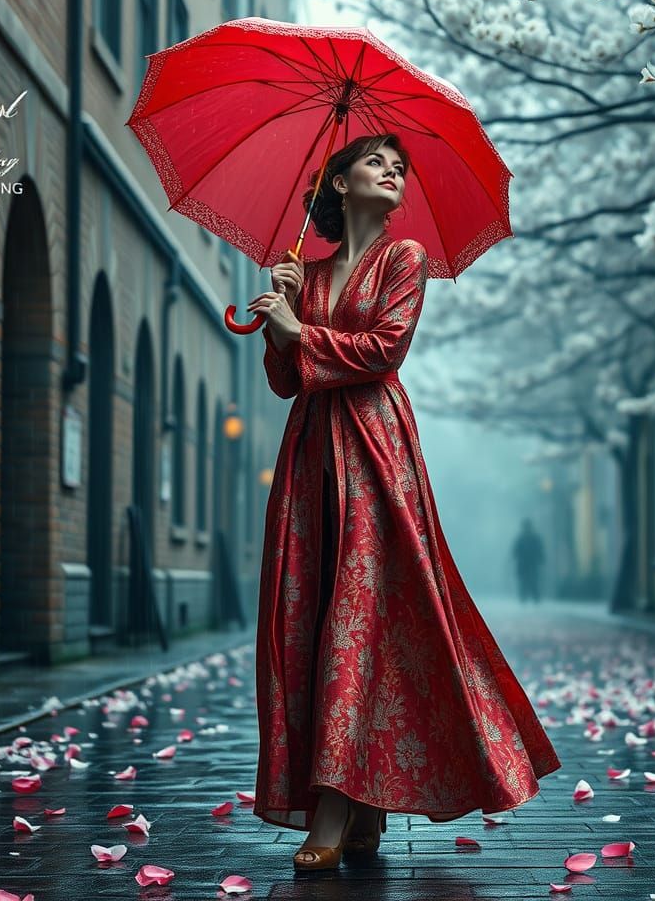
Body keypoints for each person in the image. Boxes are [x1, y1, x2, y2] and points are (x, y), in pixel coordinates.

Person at [247, 132, 561, 872]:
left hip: (376, 454)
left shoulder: (405, 260)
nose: (391, 171)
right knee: (317, 616)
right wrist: (279, 321)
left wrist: (303, 331)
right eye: (374, 162)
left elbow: (386, 348)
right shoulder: (311, 273)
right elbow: (287, 382)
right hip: (311, 459)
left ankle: (331, 809)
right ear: (339, 181)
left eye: (399, 167)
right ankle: (363, 810)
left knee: (360, 618)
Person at [512, 517, 546, 603]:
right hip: (524, 564)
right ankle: (525, 598)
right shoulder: (521, 539)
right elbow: (515, 551)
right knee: (524, 582)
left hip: (531, 564)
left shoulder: (533, 539)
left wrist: (541, 558)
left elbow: (539, 550)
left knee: (533, 582)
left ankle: (535, 598)